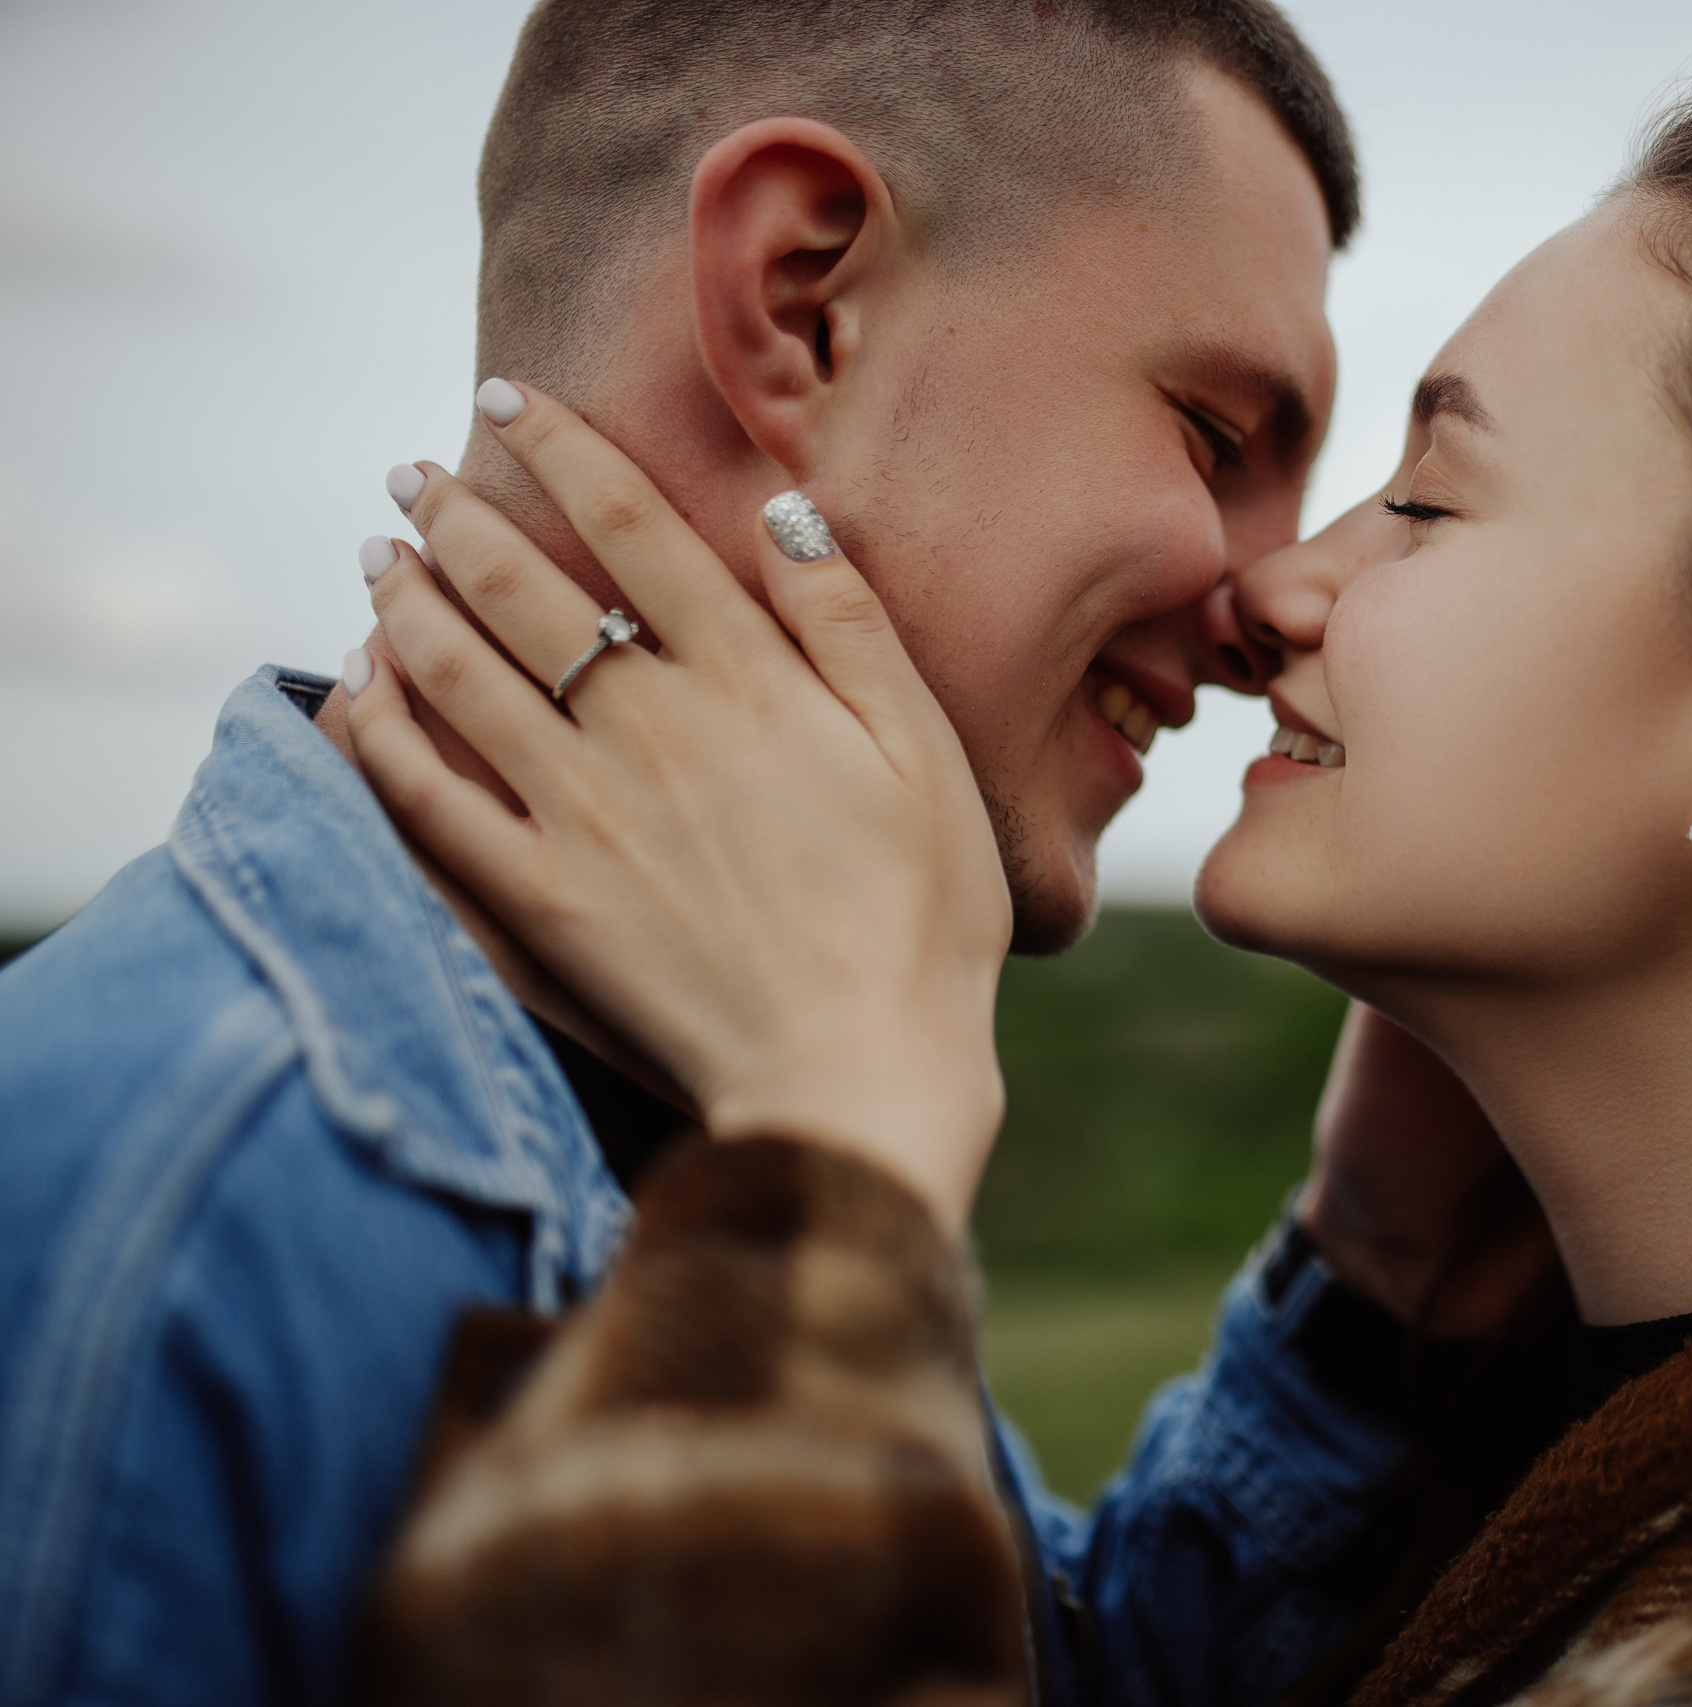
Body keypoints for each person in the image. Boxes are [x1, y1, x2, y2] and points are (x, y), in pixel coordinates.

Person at [343, 60, 1692, 1707]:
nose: (1265, 588)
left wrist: (831, 1140)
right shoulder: (1623, 1456)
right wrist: (1370, 1292)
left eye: (1424, 499)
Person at [0, 3, 1367, 1701]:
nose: (1265, 607)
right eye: (1220, 440)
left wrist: (1379, 1284)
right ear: (803, 304)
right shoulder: (143, 1244)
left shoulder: (714, 1084)